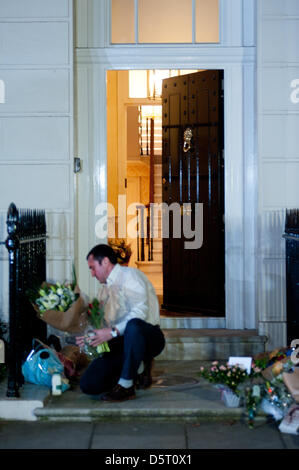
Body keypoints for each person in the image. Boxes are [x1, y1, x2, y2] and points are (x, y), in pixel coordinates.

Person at [76, 244, 165, 402]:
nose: (92, 274)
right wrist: (92, 337)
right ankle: (131, 371)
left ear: (105, 262)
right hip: (121, 341)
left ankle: (126, 385)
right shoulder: (104, 289)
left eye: (92, 268)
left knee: (133, 326)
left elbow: (140, 312)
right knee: (88, 384)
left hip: (148, 337)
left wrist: (111, 332)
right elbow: (104, 325)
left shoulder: (130, 275)